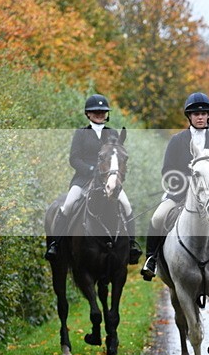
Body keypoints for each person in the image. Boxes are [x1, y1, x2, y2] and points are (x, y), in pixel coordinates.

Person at [140, 92, 209, 282]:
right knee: (158, 217)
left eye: (203, 113)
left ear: (208, 115)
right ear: (189, 117)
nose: (200, 117)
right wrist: (188, 183)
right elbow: (167, 170)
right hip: (180, 195)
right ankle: (151, 259)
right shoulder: (177, 140)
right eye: (195, 114)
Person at [45, 94, 142, 264]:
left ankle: (131, 246)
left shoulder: (112, 133)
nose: (99, 114)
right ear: (88, 114)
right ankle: (56, 244)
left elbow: (117, 157)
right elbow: (74, 159)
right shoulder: (81, 133)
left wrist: (114, 173)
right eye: (95, 111)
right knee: (67, 205)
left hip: (109, 180)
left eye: (102, 111)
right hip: (83, 179)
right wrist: (91, 170)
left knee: (126, 205)